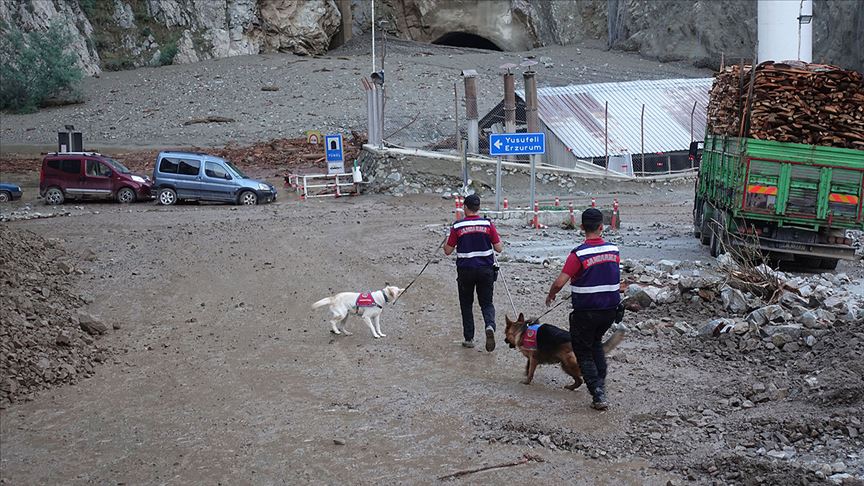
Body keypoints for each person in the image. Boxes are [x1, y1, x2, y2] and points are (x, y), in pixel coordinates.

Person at [545, 208, 621, 410]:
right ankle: (601, 384)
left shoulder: (578, 254)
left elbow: (561, 282)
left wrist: (551, 294)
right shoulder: (614, 250)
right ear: (601, 227)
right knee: (596, 344)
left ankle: (597, 393)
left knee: (583, 351)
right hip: (610, 310)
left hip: (586, 313)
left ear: (581, 228)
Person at [444, 194, 504, 351]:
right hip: (486, 270)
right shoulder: (487, 224)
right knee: (486, 303)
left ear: (465, 208)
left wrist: (447, 238)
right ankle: (490, 325)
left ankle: (469, 338)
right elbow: (499, 248)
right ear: (478, 208)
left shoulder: (458, 226)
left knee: (466, 304)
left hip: (465, 270)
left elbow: (448, 251)